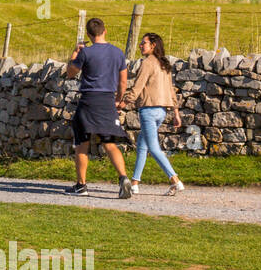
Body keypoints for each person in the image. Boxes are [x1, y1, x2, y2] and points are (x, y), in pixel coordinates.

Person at [63, 17, 132, 198]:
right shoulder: (118, 53)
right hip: (107, 100)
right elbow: (123, 80)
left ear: (88, 34)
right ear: (105, 31)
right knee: (109, 143)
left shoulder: (86, 53)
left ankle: (81, 185)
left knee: (81, 143)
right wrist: (118, 99)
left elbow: (70, 73)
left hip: (88, 101)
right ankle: (123, 177)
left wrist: (75, 53)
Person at [122, 32, 185, 197]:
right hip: (161, 112)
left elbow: (137, 87)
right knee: (142, 146)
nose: (141, 45)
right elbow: (171, 91)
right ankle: (135, 183)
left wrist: (123, 102)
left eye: (144, 43)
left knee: (153, 148)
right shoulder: (164, 64)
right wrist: (176, 113)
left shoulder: (147, 63)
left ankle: (175, 180)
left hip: (149, 111)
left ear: (153, 45)